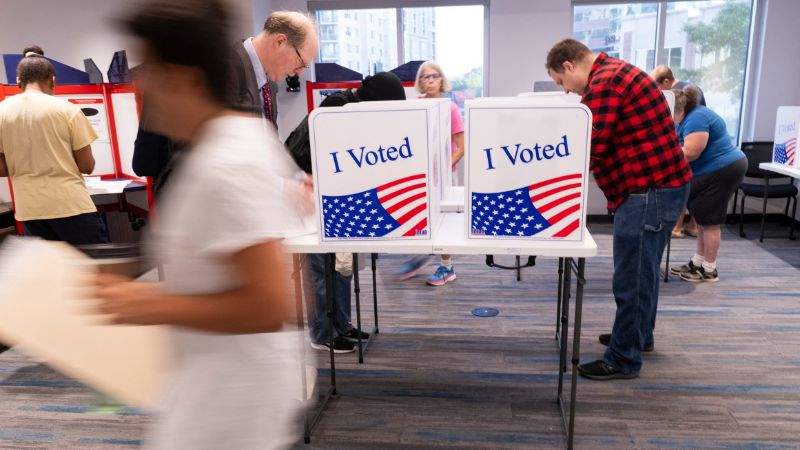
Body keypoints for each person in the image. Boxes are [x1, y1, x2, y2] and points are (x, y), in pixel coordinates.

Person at [93, 1, 310, 448]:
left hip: (230, 410)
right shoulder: (219, 147)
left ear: (184, 78)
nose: (141, 83)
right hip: (211, 391)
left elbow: (268, 305)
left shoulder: (226, 162)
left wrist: (149, 304)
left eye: (150, 69)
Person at [546, 39, 691, 380]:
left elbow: (591, 145)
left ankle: (624, 358)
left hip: (648, 191)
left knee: (632, 276)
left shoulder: (605, 82)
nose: (566, 91)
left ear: (569, 66)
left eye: (560, 82)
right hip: (660, 186)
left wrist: (549, 183)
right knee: (644, 270)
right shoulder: (616, 73)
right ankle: (638, 336)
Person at [284, 72, 407, 353]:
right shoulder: (337, 109)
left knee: (341, 267)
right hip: (309, 193)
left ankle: (342, 325)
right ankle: (322, 333)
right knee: (320, 268)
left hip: (332, 195)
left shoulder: (349, 108)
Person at [0, 53, 109, 246]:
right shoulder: (67, 110)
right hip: (71, 206)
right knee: (93, 269)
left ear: (18, 81)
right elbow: (86, 165)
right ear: (52, 80)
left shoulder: (2, 112)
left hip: (30, 210)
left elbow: (1, 170)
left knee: (50, 272)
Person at [669, 87, 747, 282]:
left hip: (723, 168)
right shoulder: (687, 118)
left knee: (710, 220)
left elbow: (691, 152)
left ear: (678, 108)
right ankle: (698, 263)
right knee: (703, 217)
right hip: (712, 169)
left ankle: (709, 270)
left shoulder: (697, 117)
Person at [399, 60, 465, 286]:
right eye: (425, 77)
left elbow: (462, 147)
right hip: (421, 174)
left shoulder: (451, 108)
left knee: (444, 223)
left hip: (445, 176)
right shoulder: (415, 106)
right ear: (419, 82)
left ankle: (447, 268)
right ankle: (421, 256)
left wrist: (442, 171)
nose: (430, 81)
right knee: (420, 217)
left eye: (434, 76)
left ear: (441, 80)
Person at [231, 11, 319, 127]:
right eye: (300, 62)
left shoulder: (270, 83)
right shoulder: (228, 69)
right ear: (280, 42)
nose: (299, 72)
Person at [650, 64, 705, 238]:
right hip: (687, 142)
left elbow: (691, 120)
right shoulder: (690, 89)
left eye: (656, 86)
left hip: (688, 144)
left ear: (666, 81)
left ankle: (678, 227)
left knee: (682, 184)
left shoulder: (685, 92)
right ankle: (689, 226)